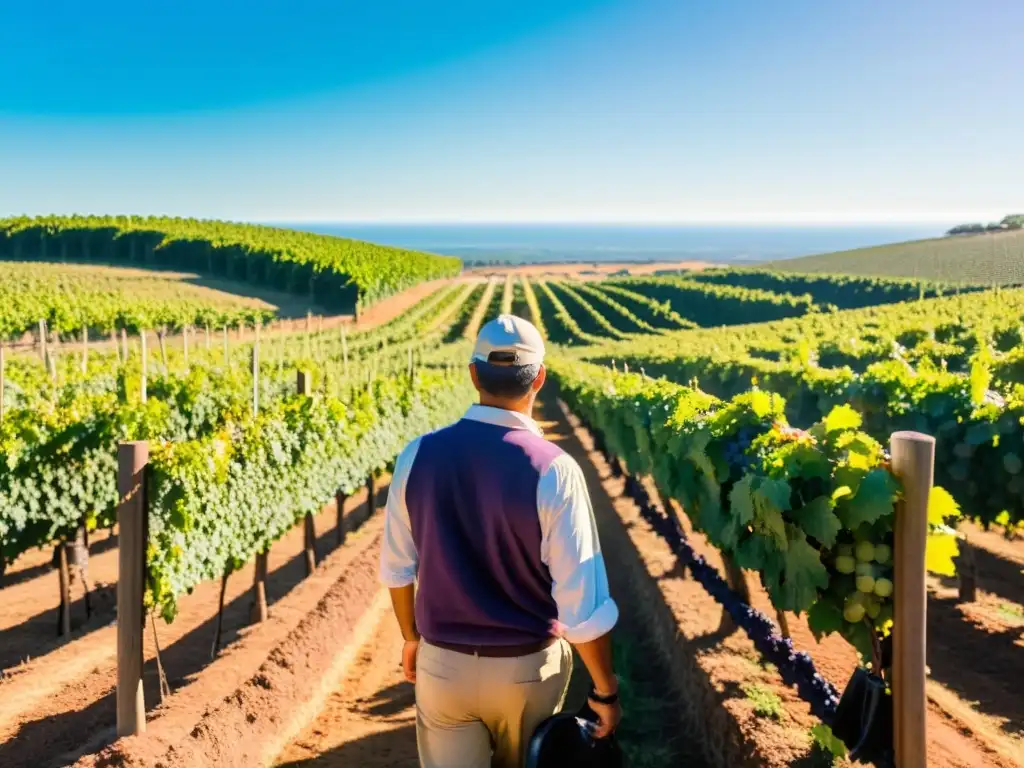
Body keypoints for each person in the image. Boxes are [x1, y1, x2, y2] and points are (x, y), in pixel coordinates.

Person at [379, 313, 622, 768]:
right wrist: (605, 692)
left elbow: (396, 566)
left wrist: (412, 638)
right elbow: (581, 607)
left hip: (443, 668)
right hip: (526, 671)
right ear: (540, 380)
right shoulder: (554, 469)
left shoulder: (417, 455)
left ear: (473, 374)